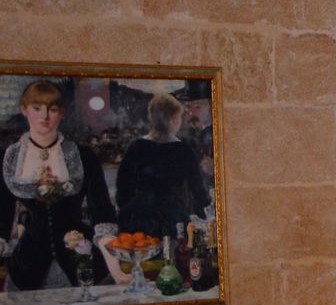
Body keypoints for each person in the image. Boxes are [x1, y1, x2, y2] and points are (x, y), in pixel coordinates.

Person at [0, 79, 116, 293]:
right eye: (37, 108)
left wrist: (114, 262)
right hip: (28, 265)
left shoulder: (83, 156)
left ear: (62, 113)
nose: (44, 117)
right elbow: (2, 213)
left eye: (52, 109)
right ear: (24, 110)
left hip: (81, 260)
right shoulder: (10, 158)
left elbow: (101, 210)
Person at [114, 91, 210, 240]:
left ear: (151, 117)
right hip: (173, 217)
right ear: (173, 119)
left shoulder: (136, 147)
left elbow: (123, 187)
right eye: (179, 117)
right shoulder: (184, 150)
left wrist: (129, 207)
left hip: (137, 215)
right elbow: (198, 190)